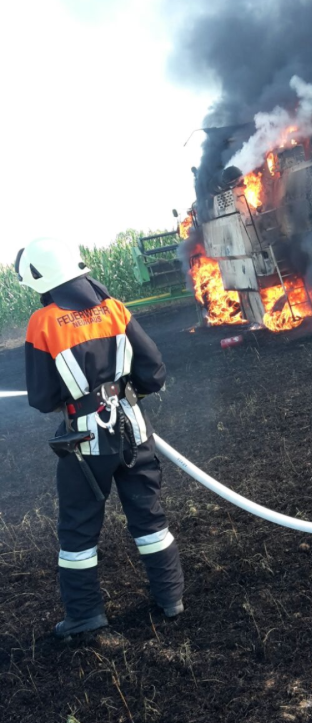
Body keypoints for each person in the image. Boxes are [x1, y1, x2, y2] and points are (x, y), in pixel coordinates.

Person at [15, 237, 184, 638]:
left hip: (85, 443)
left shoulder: (44, 324)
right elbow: (154, 371)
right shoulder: (114, 309)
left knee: (78, 529)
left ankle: (86, 614)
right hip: (134, 430)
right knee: (149, 517)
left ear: (42, 277)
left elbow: (41, 398)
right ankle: (171, 596)